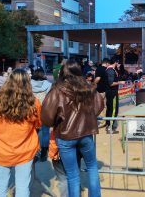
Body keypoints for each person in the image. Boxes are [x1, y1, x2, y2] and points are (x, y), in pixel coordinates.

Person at [41, 60, 104, 197]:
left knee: (72, 175)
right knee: (92, 167)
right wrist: (88, 116)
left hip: (65, 136)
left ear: (63, 72)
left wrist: (57, 121)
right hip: (86, 133)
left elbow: (46, 117)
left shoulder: (57, 90)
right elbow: (99, 105)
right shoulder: (88, 87)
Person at [0, 69, 42, 197]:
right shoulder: (34, 103)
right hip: (24, 150)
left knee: (0, 186)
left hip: (1, 149)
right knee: (23, 187)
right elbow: (38, 124)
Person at [31, 68, 52, 162]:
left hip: (32, 110)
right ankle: (44, 153)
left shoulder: (29, 84)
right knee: (45, 132)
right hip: (45, 109)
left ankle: (34, 152)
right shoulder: (48, 84)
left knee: (33, 131)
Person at [104, 58, 126, 133]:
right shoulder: (110, 70)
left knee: (110, 109)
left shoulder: (112, 70)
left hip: (111, 92)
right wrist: (120, 82)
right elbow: (111, 83)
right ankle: (110, 127)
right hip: (112, 92)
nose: (119, 64)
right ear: (116, 62)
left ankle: (108, 125)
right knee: (113, 110)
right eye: (118, 62)